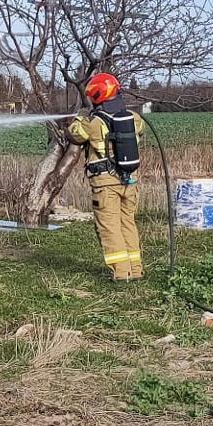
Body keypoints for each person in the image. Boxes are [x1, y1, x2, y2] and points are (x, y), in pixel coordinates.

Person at [66, 72, 147, 281]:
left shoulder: (94, 123)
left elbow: (74, 133)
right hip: (130, 181)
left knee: (109, 226)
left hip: (105, 183)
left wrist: (79, 116)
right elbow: (141, 129)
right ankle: (135, 269)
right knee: (127, 222)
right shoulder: (134, 118)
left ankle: (121, 272)